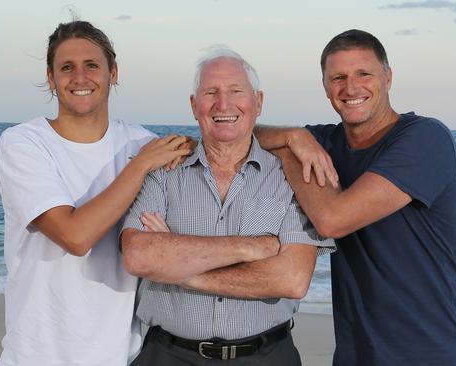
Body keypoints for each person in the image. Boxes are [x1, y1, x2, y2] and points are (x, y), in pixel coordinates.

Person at [255, 29, 456, 365]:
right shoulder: (323, 142)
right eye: (339, 77)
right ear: (326, 85)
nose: (351, 88)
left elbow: (333, 219)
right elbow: (242, 135)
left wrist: (290, 150)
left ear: (388, 78)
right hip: (356, 355)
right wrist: (293, 136)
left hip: (433, 352)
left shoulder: (426, 139)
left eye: (364, 74)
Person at [119, 47, 334, 366]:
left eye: (236, 91)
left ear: (258, 102)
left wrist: (178, 270)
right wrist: (253, 247)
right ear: (194, 106)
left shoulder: (292, 175)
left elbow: (291, 279)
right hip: (168, 355)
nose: (223, 104)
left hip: (267, 356)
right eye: (210, 92)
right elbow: (139, 255)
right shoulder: (163, 170)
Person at [0, 20, 192, 366]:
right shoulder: (24, 143)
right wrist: (140, 165)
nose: (80, 78)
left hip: (120, 355)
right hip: (36, 355)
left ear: (113, 73)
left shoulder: (140, 143)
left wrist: (290, 138)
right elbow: (75, 236)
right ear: (51, 78)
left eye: (92, 65)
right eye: (66, 68)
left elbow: (220, 146)